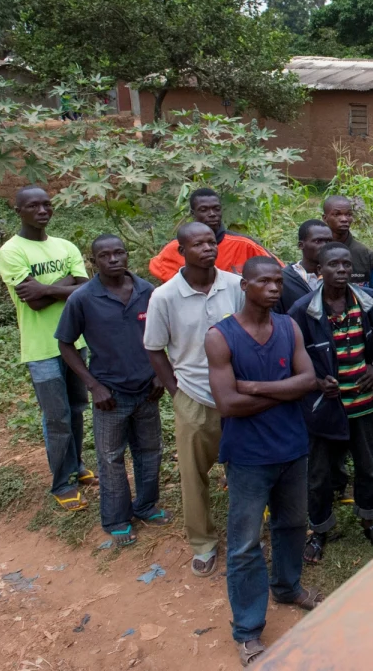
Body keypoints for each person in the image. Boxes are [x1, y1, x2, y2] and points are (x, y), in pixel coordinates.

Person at [205, 257, 323, 666]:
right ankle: (248, 630)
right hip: (249, 457)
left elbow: (308, 381)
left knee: (291, 524)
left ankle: (288, 587)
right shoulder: (221, 337)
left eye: (278, 281)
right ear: (244, 285)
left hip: (292, 448)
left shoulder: (289, 327)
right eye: (264, 282)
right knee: (244, 545)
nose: (274, 288)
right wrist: (285, 389)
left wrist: (255, 385)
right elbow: (228, 403)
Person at [288, 242, 373, 563]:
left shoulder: (368, 301)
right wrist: (313, 379)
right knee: (320, 475)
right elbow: (287, 353)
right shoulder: (303, 310)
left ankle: (369, 522)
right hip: (324, 409)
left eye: (345, 265)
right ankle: (320, 530)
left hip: (365, 406)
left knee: (368, 469)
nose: (341, 271)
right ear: (318, 272)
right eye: (333, 266)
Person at [144, 221, 245, 577]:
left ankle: (246, 536)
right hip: (194, 397)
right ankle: (203, 542)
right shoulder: (165, 297)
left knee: (246, 469)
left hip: (239, 396)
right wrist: (175, 390)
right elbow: (155, 348)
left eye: (211, 242)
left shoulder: (236, 286)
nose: (208, 249)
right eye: (198, 244)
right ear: (180, 251)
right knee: (192, 476)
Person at [56, 235, 169, 545]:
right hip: (110, 395)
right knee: (111, 458)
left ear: (127, 255)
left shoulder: (148, 291)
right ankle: (117, 518)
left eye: (119, 252)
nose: (113, 259)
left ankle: (146, 506)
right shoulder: (82, 298)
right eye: (104, 255)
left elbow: (164, 335)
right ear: (94, 262)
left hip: (148, 390)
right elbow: (65, 343)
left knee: (149, 452)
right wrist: (93, 385)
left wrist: (161, 374)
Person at [0, 186, 93, 511]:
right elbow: (35, 302)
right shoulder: (12, 251)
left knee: (77, 408)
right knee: (56, 417)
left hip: (74, 341)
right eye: (33, 205)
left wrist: (47, 287)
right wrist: (64, 285)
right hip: (41, 348)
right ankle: (62, 482)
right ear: (18, 210)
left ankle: (77, 466)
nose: (42, 210)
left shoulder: (65, 246)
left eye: (46, 204)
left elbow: (86, 289)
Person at [148, 188, 278, 282]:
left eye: (216, 209)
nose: (212, 214)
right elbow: (157, 268)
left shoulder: (244, 245)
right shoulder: (176, 247)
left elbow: (278, 269)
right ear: (193, 214)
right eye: (204, 210)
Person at [322, 195, 373, 295]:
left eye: (348, 214)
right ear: (325, 218)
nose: (344, 219)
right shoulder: (317, 252)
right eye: (337, 214)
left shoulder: (367, 256)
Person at [276, 220, 334, 314]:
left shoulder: (338, 276)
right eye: (318, 241)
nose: (325, 246)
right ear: (301, 245)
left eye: (328, 241)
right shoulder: (283, 280)